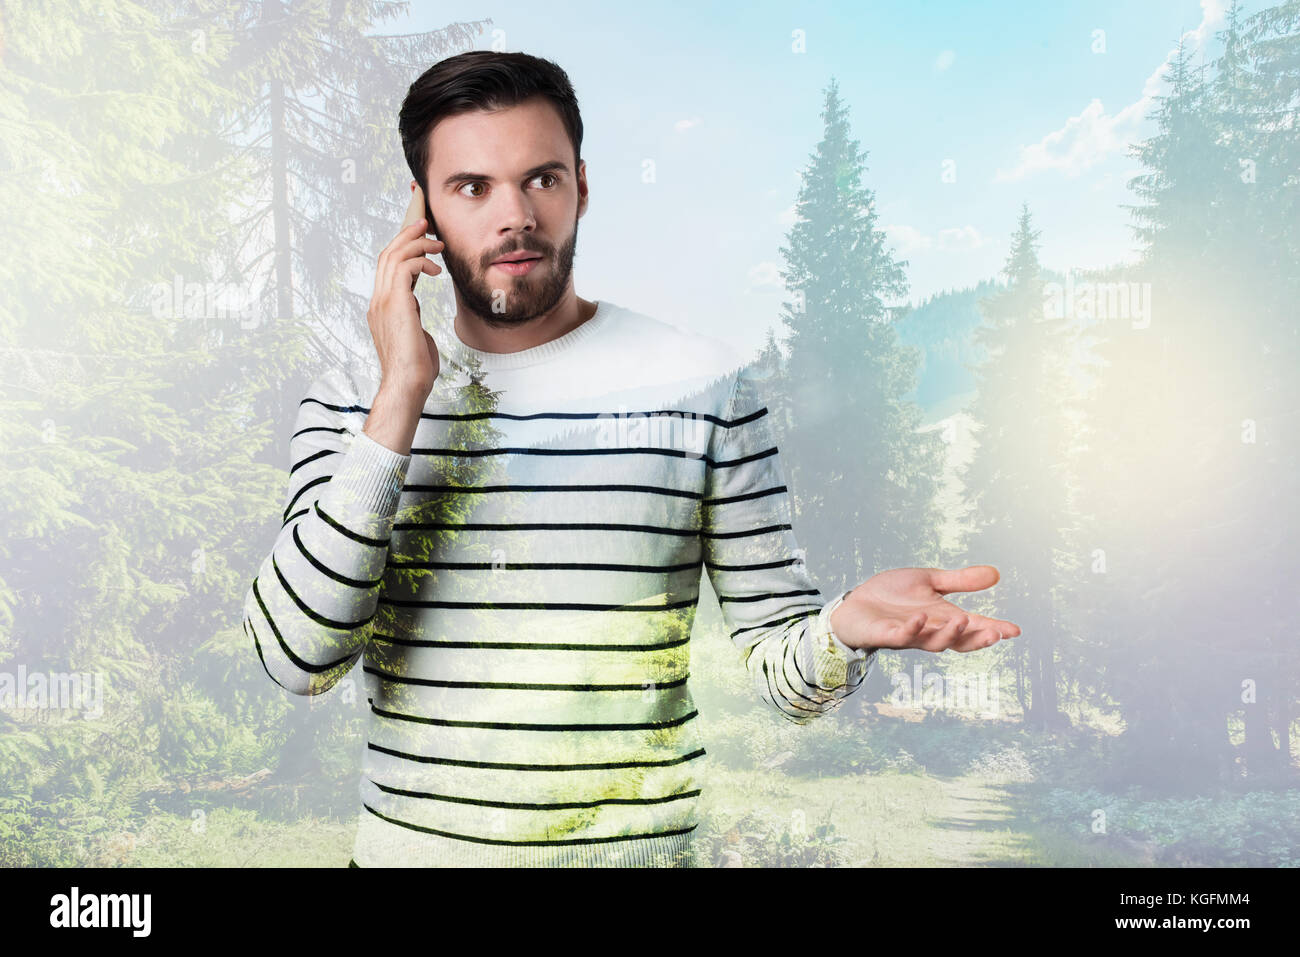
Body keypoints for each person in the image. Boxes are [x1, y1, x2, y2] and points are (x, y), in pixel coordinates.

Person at [241, 50, 1021, 868]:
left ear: (581, 184)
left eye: (540, 179)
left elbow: (781, 669)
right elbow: (299, 657)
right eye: (472, 187)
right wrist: (402, 391)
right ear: (422, 211)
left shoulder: (704, 384)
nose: (515, 216)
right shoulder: (351, 403)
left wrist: (842, 632)